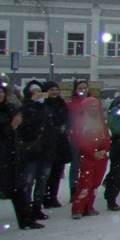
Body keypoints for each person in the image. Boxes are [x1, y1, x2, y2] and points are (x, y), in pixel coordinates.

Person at [16, 81, 57, 224]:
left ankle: (37, 207)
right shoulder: (25, 108)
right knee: (28, 181)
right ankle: (26, 210)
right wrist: (31, 105)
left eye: (39, 91)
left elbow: (54, 126)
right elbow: (23, 126)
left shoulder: (47, 108)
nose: (37, 94)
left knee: (42, 180)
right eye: (34, 92)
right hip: (31, 151)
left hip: (45, 150)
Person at [69, 97, 111, 219]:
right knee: (85, 182)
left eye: (95, 106)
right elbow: (79, 140)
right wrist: (92, 152)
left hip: (100, 156)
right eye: (90, 106)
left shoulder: (101, 121)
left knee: (96, 183)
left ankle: (89, 206)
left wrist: (104, 149)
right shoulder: (80, 122)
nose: (93, 109)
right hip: (87, 156)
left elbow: (107, 137)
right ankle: (78, 207)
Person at [0, 83, 33, 229]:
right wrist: (10, 127)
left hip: (11, 155)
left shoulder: (10, 108)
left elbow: (21, 128)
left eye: (1, 92)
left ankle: (26, 220)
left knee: (17, 189)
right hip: (1, 154)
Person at [42, 80, 71, 208]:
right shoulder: (43, 104)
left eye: (56, 90)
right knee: (46, 172)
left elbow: (67, 118)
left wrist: (65, 126)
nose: (54, 92)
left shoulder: (61, 103)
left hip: (60, 141)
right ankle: (44, 197)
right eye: (51, 90)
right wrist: (55, 128)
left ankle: (53, 196)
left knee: (57, 171)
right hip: (48, 142)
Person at [66, 79, 91, 197]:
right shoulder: (71, 104)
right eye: (80, 88)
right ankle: (73, 188)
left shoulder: (93, 103)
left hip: (90, 137)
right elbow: (69, 121)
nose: (83, 90)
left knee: (89, 164)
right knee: (75, 164)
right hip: (76, 137)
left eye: (85, 88)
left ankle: (86, 187)